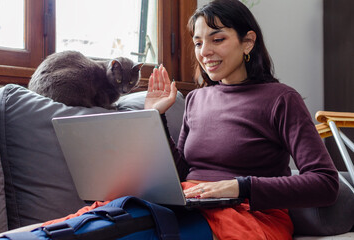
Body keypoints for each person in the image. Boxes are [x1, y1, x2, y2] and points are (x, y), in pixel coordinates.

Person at [144, 0, 339, 239]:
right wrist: (156, 117)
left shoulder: (282, 99)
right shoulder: (195, 99)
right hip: (191, 204)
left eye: (217, 39)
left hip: (249, 214)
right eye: (198, 42)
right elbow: (182, 172)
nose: (204, 51)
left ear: (247, 42)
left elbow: (325, 183)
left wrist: (240, 186)